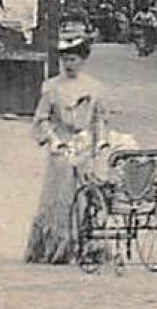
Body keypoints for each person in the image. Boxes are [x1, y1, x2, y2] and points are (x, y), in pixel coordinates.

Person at [25, 33, 109, 265]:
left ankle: (87, 245)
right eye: (65, 60)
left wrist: (100, 143)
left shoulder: (94, 87)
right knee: (61, 196)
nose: (69, 64)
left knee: (88, 192)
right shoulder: (51, 87)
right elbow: (42, 119)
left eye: (74, 59)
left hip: (86, 145)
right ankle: (59, 247)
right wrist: (54, 141)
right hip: (61, 145)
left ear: (83, 61)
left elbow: (100, 119)